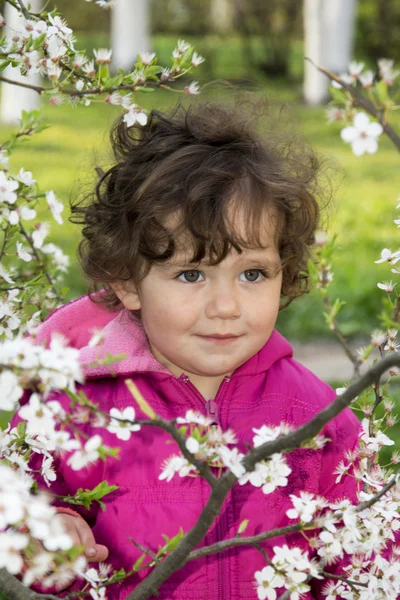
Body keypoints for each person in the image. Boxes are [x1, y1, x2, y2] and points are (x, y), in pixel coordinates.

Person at [12, 100, 361, 599]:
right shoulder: (78, 407)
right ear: (128, 282)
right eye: (192, 274)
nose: (226, 306)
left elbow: (367, 559)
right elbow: (22, 502)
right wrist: (49, 531)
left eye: (253, 274)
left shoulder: (317, 418)